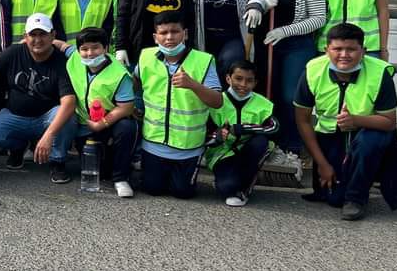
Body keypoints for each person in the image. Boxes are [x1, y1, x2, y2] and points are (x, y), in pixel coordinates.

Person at [294, 23, 397, 221]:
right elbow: (302, 120)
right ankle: (348, 184)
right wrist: (322, 164)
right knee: (334, 199)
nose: (344, 55)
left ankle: (356, 198)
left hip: (366, 134)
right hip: (330, 136)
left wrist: (356, 121)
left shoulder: (379, 73)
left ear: (363, 51)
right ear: (326, 50)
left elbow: (389, 122)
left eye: (351, 49)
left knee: (372, 140)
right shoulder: (313, 70)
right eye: (337, 49)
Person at [0, 13, 77, 184]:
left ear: (53, 35)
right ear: (25, 36)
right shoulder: (14, 52)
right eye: (33, 35)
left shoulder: (62, 61)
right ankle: (18, 147)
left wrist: (49, 135)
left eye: (43, 34)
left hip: (46, 118)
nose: (37, 40)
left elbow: (68, 102)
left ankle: (57, 161)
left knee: (68, 117)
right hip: (16, 115)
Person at [254, 0, 326, 165]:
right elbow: (249, 7)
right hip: (266, 46)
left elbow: (318, 18)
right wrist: (261, 6)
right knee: (268, 95)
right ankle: (269, 143)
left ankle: (292, 146)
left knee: (289, 96)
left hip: (297, 46)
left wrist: (286, 31)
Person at [136, 12, 223, 198]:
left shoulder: (203, 60)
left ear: (185, 34)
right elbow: (134, 83)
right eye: (163, 33)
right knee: (153, 190)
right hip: (153, 144)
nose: (169, 37)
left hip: (188, 148)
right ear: (155, 37)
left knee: (182, 192)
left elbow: (217, 101)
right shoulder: (146, 56)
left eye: (175, 31)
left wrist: (193, 85)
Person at [66, 27, 136, 197]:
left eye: (95, 47)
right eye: (84, 49)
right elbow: (63, 46)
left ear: (106, 48)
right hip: (84, 124)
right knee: (99, 171)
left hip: (109, 125)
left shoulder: (119, 74)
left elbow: (126, 107)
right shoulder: (75, 58)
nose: (90, 53)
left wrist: (102, 124)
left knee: (127, 127)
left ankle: (121, 178)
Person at [203, 60, 278, 207]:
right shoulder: (216, 100)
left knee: (261, 141)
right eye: (238, 78)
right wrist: (217, 135)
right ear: (228, 78)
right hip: (223, 153)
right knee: (227, 187)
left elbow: (274, 127)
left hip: (249, 150)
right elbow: (203, 131)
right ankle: (227, 181)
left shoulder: (264, 104)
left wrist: (244, 128)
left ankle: (245, 187)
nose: (243, 84)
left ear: (255, 83)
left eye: (249, 80)